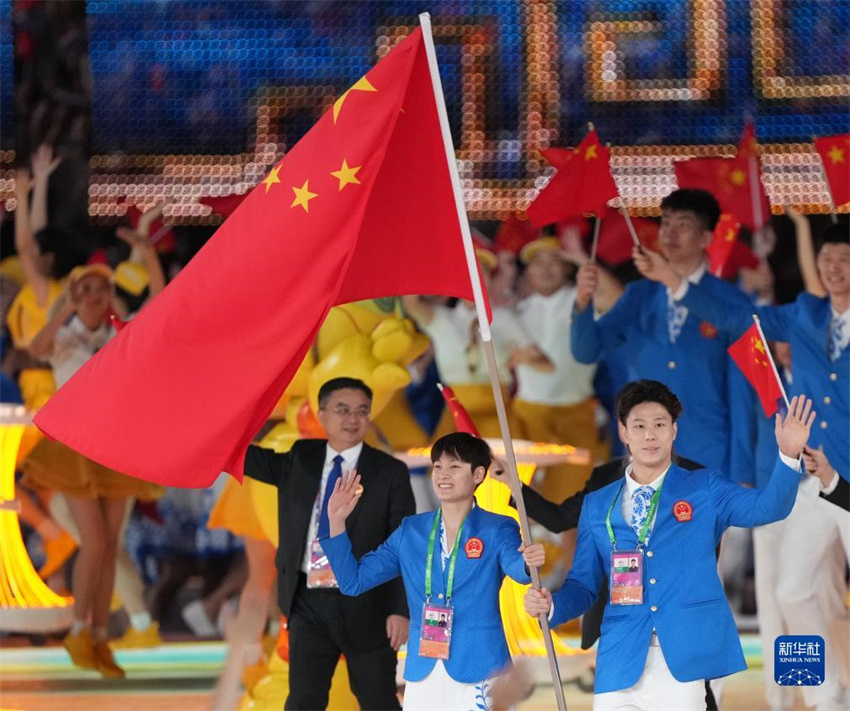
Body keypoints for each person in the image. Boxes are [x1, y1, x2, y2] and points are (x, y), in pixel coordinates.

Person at [637, 219, 850, 710]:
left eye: (842, 260)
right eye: (827, 259)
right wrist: (674, 281)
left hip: (830, 484)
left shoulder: (807, 335)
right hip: (789, 485)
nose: (832, 268)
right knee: (788, 596)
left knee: (821, 598)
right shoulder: (801, 318)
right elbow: (741, 318)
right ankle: (813, 697)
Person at [524, 380, 813, 711]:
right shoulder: (597, 504)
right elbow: (584, 585)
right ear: (623, 433)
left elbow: (767, 508)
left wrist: (789, 455)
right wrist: (553, 606)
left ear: (674, 432)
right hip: (619, 656)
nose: (650, 435)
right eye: (640, 426)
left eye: (660, 425)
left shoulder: (704, 487)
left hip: (682, 655)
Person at [321, 432, 545, 711]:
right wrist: (336, 522)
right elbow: (353, 581)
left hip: (480, 667)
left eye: (454, 467)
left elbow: (519, 569)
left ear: (478, 475)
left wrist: (529, 560)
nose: (443, 474)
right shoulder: (411, 530)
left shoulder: (497, 527)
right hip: (423, 670)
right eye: (438, 466)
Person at [23, 265, 162, 678]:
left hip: (116, 443)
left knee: (108, 544)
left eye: (100, 289)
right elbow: (35, 348)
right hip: (75, 445)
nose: (92, 296)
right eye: (84, 290)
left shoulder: (123, 331)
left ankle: (99, 636)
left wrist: (146, 255)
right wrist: (64, 307)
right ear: (73, 295)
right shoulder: (64, 339)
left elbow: (159, 304)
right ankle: (79, 629)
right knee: (96, 541)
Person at [243, 376, 415, 710]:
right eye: (342, 409)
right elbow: (244, 457)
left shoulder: (389, 472)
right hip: (308, 601)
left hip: (368, 602)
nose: (353, 418)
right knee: (303, 700)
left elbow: (402, 546)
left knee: (376, 698)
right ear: (321, 415)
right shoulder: (299, 458)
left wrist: (399, 609)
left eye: (362, 411)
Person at [570, 189, 756, 476]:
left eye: (683, 224)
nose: (670, 232)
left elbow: (743, 393)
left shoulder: (729, 302)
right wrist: (582, 301)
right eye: (666, 223)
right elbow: (586, 351)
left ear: (706, 238)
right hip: (644, 458)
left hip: (709, 455)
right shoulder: (639, 295)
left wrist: (742, 473)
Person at [402, 246, 547, 438]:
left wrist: (525, 360)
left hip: (498, 413)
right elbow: (411, 302)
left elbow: (547, 365)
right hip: (456, 413)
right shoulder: (441, 319)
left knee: (506, 466)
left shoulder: (505, 318)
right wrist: (427, 266)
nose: (475, 277)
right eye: (468, 271)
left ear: (490, 279)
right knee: (447, 465)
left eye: (483, 271)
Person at [512, 237, 606, 503]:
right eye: (537, 262)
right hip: (527, 416)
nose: (545, 269)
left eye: (554, 261)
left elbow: (613, 299)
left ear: (567, 267)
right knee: (524, 499)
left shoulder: (583, 301)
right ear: (528, 271)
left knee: (571, 499)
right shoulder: (516, 310)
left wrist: (584, 262)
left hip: (575, 414)